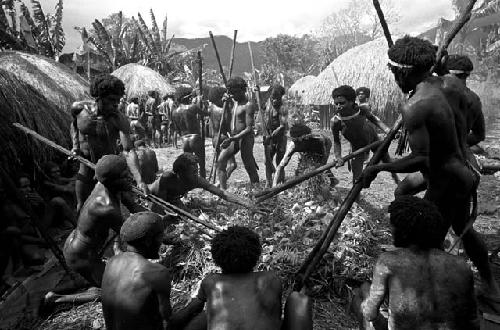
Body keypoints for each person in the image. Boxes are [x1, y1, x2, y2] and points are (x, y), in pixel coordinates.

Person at [359, 35, 500, 308]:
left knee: (425, 245)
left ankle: (427, 302)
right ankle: (491, 288)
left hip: (445, 180)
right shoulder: (452, 86)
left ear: (403, 71)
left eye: (393, 72)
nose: (393, 78)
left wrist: (378, 167)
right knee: (461, 228)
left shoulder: (415, 107)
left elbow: (422, 158)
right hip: (465, 170)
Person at [352, 196, 479, 330]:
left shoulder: (388, 262)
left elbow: (370, 314)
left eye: (393, 227)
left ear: (402, 231)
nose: (391, 231)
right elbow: (473, 321)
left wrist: (365, 299)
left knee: (360, 295)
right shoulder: (461, 265)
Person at [394, 54, 485, 197]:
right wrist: (460, 142)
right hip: (465, 162)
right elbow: (480, 135)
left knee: (402, 192)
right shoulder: (473, 98)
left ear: (447, 73)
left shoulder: (436, 97)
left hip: (443, 166)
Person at [168, 226, 289, 330]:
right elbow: (275, 314)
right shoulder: (271, 279)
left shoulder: (211, 282)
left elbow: (187, 313)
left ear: (217, 258)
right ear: (256, 255)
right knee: (297, 301)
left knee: (205, 316)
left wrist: (169, 325)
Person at [70, 74, 148, 212]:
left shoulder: (119, 119)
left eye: (118, 100)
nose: (116, 104)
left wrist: (140, 180)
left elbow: (128, 150)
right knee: (81, 206)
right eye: (112, 100)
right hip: (86, 165)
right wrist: (75, 146)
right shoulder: (79, 109)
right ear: (99, 97)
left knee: (113, 206)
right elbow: (74, 125)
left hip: (108, 168)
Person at [63, 154, 130, 287]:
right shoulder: (107, 208)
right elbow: (131, 234)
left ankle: (90, 277)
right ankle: (54, 299)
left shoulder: (102, 184)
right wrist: (167, 236)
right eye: (124, 176)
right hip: (81, 255)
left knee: (96, 278)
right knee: (113, 289)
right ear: (113, 181)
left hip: (80, 246)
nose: (130, 178)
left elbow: (131, 204)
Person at [102, 212, 172, 330]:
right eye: (160, 237)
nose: (161, 242)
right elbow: (167, 322)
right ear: (148, 241)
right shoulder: (158, 273)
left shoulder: (111, 262)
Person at [331, 85, 399, 184]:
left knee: (386, 160)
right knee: (357, 176)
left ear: (351, 102)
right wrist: (338, 157)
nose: (338, 106)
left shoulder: (361, 110)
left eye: (342, 103)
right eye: (336, 103)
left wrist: (388, 130)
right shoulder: (336, 121)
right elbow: (337, 141)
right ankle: (356, 197)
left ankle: (396, 179)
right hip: (357, 148)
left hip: (373, 138)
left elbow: (375, 120)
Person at [149, 153, 256, 213]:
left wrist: (246, 203)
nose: (196, 174)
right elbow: (160, 204)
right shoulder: (168, 177)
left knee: (188, 215)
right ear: (180, 173)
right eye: (193, 172)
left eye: (197, 171)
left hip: (172, 199)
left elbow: (222, 194)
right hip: (154, 196)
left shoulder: (196, 180)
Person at [216, 77, 259, 189]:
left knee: (249, 166)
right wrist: (224, 104)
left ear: (242, 90)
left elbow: (249, 128)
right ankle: (223, 191)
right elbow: (225, 120)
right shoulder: (233, 103)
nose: (233, 95)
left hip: (245, 139)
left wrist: (233, 139)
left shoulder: (248, 105)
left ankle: (257, 191)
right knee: (220, 161)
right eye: (231, 93)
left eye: (235, 92)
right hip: (233, 138)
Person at [273, 123, 337, 187]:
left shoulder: (318, 140)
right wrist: (274, 186)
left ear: (305, 137)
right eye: (294, 141)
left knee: (320, 164)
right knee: (304, 166)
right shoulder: (293, 146)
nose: (296, 143)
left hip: (325, 144)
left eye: (297, 141)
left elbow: (323, 162)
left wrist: (318, 170)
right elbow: (280, 167)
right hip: (308, 147)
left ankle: (333, 181)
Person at [171, 86, 207, 178]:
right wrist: (201, 102)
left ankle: (190, 181)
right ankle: (204, 181)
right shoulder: (193, 107)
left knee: (189, 164)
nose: (191, 99)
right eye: (190, 97)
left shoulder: (174, 112)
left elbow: (177, 129)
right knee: (201, 162)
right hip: (195, 138)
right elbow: (206, 113)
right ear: (186, 98)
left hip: (184, 140)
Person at [207, 86, 237, 183]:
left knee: (219, 163)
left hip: (214, 139)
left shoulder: (211, 107)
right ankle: (220, 184)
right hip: (223, 138)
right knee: (232, 165)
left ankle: (217, 183)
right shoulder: (223, 110)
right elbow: (228, 125)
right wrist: (229, 104)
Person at [263, 84, 288, 188]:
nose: (274, 101)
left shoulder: (282, 108)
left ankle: (280, 181)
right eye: (272, 98)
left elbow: (282, 126)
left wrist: (271, 136)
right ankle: (268, 182)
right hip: (268, 135)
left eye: (276, 99)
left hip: (280, 137)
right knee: (267, 160)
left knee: (279, 161)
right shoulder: (267, 103)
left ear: (280, 97)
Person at [41, 161, 76, 229]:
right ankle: (76, 223)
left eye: (58, 171)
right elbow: (67, 189)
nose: (58, 174)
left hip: (60, 213)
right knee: (58, 200)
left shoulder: (58, 179)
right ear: (48, 173)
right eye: (54, 172)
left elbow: (72, 180)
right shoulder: (46, 183)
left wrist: (72, 183)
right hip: (49, 214)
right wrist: (70, 185)